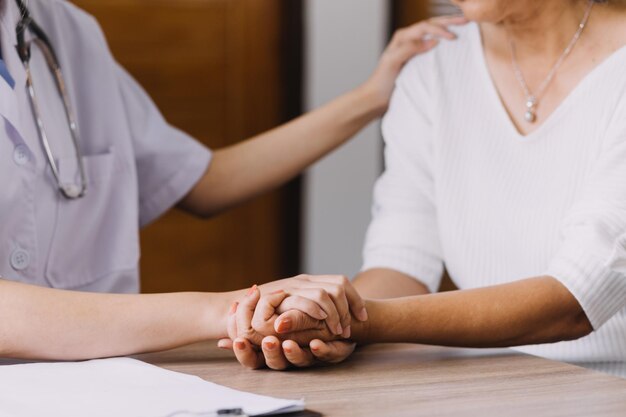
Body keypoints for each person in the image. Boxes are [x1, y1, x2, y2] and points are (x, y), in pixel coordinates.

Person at [0, 0, 467, 360]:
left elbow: (205, 181)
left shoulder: (64, 31)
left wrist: (370, 97)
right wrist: (234, 310)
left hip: (111, 383)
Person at [225, 0, 626, 377]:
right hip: (491, 386)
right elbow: (401, 262)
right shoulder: (432, 69)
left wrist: (354, 322)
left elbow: (575, 300)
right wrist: (313, 319)